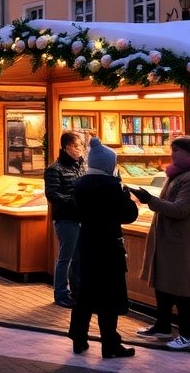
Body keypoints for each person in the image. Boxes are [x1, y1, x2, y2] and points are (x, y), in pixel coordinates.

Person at [131, 135, 190, 350]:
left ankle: (188, 334)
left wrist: (150, 201)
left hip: (181, 242)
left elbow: (180, 209)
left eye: (176, 150)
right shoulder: (177, 175)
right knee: (163, 283)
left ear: (188, 152)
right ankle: (163, 325)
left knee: (181, 288)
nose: (172, 154)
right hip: (167, 239)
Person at [68, 138, 138, 359]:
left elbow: (76, 211)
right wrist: (125, 193)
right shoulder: (112, 188)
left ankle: (79, 338)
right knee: (109, 297)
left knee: (85, 295)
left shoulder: (79, 185)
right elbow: (129, 215)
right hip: (109, 247)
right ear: (109, 164)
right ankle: (110, 344)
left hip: (87, 244)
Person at [45, 131, 87, 308]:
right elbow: (52, 194)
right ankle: (61, 293)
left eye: (81, 146)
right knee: (66, 257)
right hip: (66, 219)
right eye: (77, 146)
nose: (80, 150)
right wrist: (72, 201)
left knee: (78, 257)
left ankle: (77, 291)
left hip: (81, 217)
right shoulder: (55, 169)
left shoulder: (81, 166)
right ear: (67, 146)